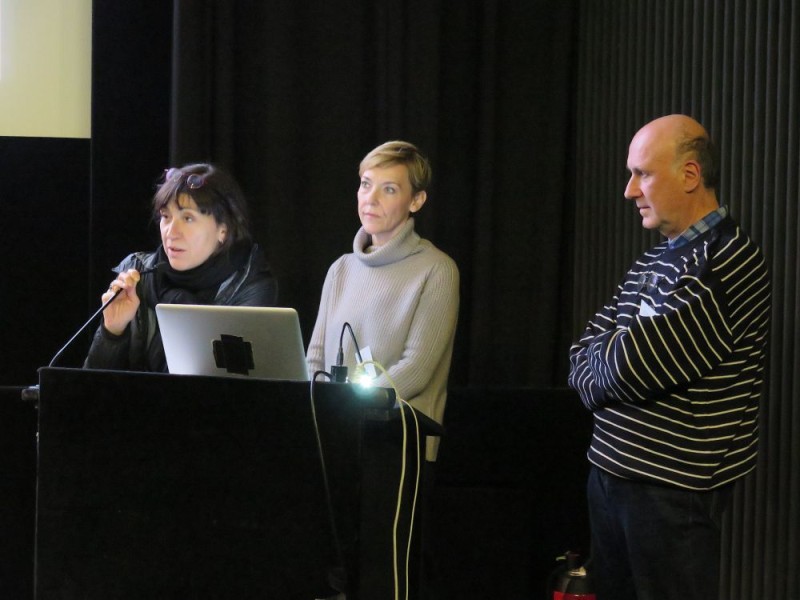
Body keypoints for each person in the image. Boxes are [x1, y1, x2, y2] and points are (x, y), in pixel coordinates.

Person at [568, 114, 771, 600]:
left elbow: (631, 367)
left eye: (643, 173)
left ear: (689, 175)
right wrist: (613, 363)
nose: (629, 190)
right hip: (609, 476)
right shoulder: (654, 258)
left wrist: (613, 365)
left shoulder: (729, 259)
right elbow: (581, 357)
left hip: (669, 493)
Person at [307, 140, 459, 457]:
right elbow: (315, 359)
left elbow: (416, 370)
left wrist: (344, 408)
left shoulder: (437, 269)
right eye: (366, 185)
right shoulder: (341, 269)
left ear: (416, 200)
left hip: (398, 449)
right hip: (333, 439)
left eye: (388, 189)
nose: (370, 199)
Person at [85, 163, 278, 372]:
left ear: (224, 230)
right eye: (166, 217)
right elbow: (92, 389)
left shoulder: (248, 285)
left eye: (188, 218)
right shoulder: (137, 274)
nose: (171, 232)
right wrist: (112, 331)